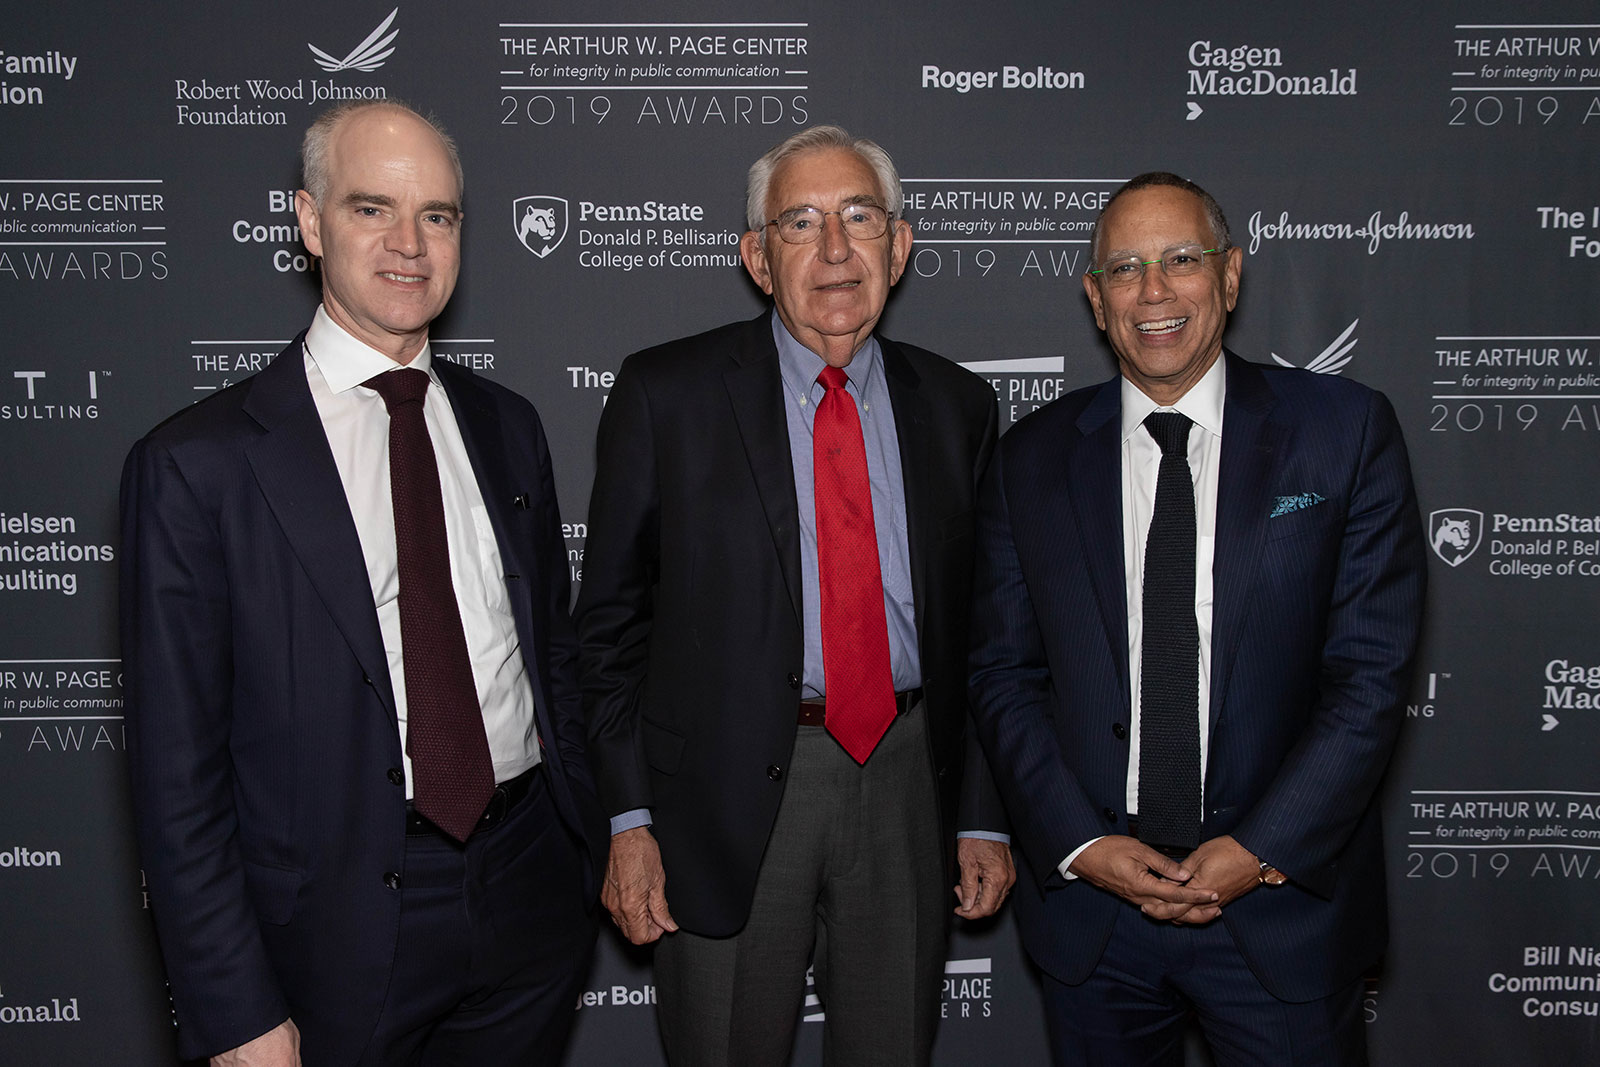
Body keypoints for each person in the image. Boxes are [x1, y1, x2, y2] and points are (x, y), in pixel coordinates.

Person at [119, 100, 604, 1067]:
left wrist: (580, 845)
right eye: (372, 209)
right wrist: (234, 1009)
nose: (410, 245)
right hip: (329, 932)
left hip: (529, 891)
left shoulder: (509, 425)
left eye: (439, 215)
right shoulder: (198, 464)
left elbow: (551, 650)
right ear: (308, 222)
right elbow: (178, 779)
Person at [574, 125, 1015, 1065]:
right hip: (721, 800)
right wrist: (627, 817)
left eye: (860, 217)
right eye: (800, 223)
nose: (835, 250)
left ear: (899, 246)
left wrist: (980, 810)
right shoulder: (667, 394)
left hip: (906, 779)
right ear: (756, 257)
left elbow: (982, 634)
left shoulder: (959, 406)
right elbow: (606, 630)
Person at [967, 172, 1426, 1064]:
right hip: (1096, 920)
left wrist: (1257, 849)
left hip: (1279, 907)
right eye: (1126, 269)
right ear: (1096, 300)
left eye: (1181, 259)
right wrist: (1081, 842)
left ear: (1230, 275)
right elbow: (1004, 674)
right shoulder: (1030, 459)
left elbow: (1368, 674)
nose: (1154, 291)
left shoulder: (1345, 430)